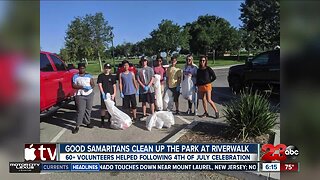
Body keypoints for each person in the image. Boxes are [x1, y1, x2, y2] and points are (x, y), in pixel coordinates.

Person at [72, 63, 95, 134]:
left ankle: (87, 122)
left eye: (83, 68)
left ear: (85, 68)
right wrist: (82, 87)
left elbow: (93, 84)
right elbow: (73, 86)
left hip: (89, 94)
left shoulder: (89, 75)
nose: (82, 69)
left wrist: (90, 87)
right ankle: (77, 125)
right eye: (80, 68)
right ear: (78, 69)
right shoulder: (75, 76)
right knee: (80, 111)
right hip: (80, 95)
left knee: (88, 109)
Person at [97, 63, 116, 128]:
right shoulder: (101, 76)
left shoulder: (112, 76)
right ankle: (102, 122)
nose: (107, 69)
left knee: (110, 108)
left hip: (111, 94)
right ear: (104, 68)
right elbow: (100, 85)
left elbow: (114, 86)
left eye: (108, 68)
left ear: (110, 69)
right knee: (103, 108)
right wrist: (102, 93)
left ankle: (110, 120)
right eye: (106, 68)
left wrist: (114, 94)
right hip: (104, 94)